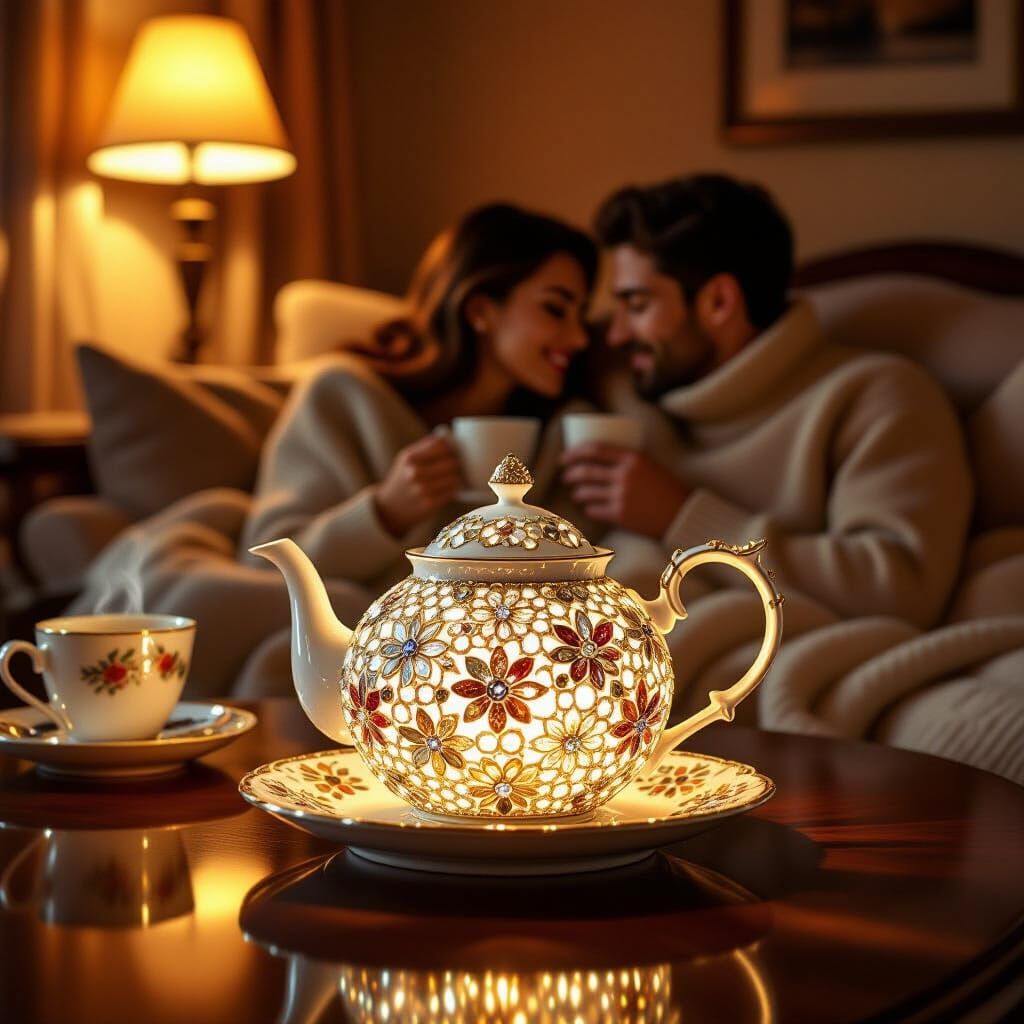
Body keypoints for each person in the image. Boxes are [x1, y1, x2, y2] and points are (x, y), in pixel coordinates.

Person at [561, 174, 972, 713]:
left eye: (636, 304)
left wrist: (683, 517)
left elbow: (901, 590)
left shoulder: (875, 395)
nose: (612, 334)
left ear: (718, 301)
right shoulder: (624, 389)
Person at [241, 201, 597, 588]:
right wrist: (385, 511)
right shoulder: (342, 395)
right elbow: (263, 565)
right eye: (555, 309)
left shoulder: (563, 437)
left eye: (582, 315)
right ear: (480, 310)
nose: (579, 339)